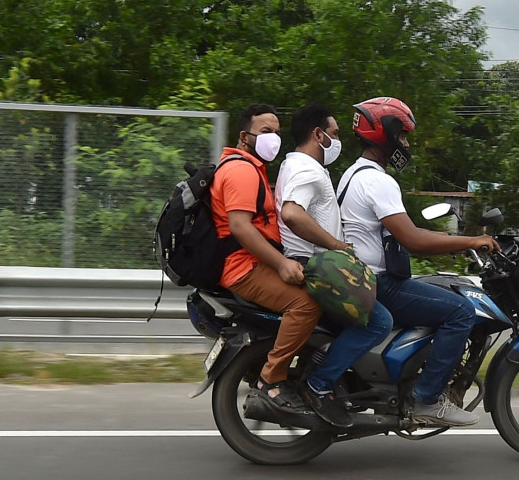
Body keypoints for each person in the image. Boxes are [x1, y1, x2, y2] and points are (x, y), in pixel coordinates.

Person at [337, 96, 501, 427]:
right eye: (402, 136)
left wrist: (452, 244)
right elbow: (411, 240)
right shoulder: (378, 181)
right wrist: (471, 241)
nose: (406, 144)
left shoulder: (354, 174)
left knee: (440, 290)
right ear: (385, 134)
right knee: (460, 311)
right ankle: (427, 399)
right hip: (378, 283)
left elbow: (406, 230)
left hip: (360, 277)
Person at [209, 103, 345, 427]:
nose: (274, 139)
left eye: (277, 133)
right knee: (307, 303)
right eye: (266, 132)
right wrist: (283, 263)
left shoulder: (251, 167)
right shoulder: (241, 170)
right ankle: (271, 380)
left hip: (251, 262)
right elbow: (241, 227)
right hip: (243, 268)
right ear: (245, 136)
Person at [275, 102, 393, 427]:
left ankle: (344, 379)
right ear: (318, 135)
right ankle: (319, 384)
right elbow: (292, 213)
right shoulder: (307, 170)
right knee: (379, 322)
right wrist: (337, 245)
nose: (338, 141)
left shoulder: (297, 166)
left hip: (312, 261)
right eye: (335, 134)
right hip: (316, 265)